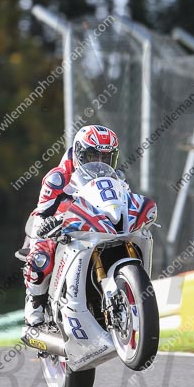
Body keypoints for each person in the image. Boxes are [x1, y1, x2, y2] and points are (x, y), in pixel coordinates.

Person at [23, 124, 120, 327]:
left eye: (106, 157)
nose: (100, 163)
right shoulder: (57, 178)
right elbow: (42, 213)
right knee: (40, 255)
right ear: (79, 153)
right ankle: (35, 303)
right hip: (59, 226)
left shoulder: (115, 178)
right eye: (93, 156)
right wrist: (47, 227)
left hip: (96, 227)